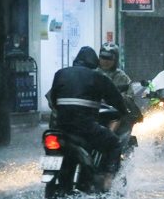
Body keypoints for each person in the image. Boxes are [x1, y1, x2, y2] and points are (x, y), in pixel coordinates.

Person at [49, 46, 130, 190]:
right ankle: (108, 180)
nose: (105, 61)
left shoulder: (60, 74)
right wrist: (124, 111)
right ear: (94, 63)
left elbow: (53, 100)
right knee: (114, 143)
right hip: (84, 127)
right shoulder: (98, 77)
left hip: (60, 127)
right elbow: (116, 99)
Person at [97, 42, 142, 141]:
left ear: (115, 59)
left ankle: (109, 139)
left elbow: (129, 98)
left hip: (113, 113)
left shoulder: (122, 77)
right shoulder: (93, 73)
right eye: (103, 57)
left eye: (109, 58)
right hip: (94, 111)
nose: (106, 61)